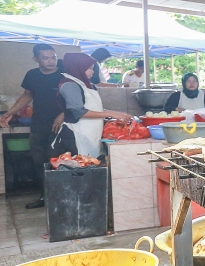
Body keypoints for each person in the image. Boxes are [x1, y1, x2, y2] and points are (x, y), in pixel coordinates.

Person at [0, 44, 64, 208]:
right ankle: (44, 197)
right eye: (46, 58)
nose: (51, 61)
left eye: (53, 57)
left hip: (60, 127)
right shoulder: (32, 75)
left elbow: (78, 98)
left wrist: (63, 114)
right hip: (38, 125)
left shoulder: (65, 73)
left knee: (56, 161)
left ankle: (60, 197)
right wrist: (10, 112)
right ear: (36, 59)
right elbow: (27, 96)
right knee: (38, 162)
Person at [56, 53, 132, 158]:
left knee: (91, 162)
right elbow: (79, 112)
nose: (93, 72)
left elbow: (93, 107)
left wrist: (114, 114)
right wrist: (111, 113)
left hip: (90, 133)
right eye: (89, 68)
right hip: (76, 134)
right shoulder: (70, 85)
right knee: (80, 166)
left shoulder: (85, 84)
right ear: (78, 68)